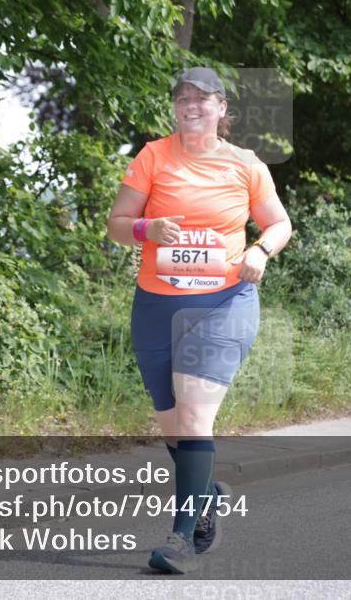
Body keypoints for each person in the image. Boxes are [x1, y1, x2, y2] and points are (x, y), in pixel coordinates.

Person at [106, 67, 292, 573]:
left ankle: (181, 538)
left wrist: (261, 249)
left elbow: (279, 222)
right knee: (171, 426)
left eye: (202, 98)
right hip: (156, 305)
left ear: (222, 109)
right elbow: (118, 225)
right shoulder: (152, 157)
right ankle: (207, 492)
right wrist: (149, 228)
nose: (191, 104)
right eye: (182, 97)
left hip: (224, 303)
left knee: (193, 417)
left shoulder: (246, 165)